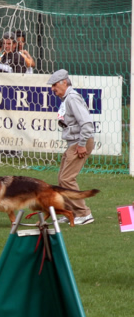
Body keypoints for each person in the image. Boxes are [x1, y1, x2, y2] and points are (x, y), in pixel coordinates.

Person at [47, 69, 95, 225]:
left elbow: (87, 124)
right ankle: (70, 213)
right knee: (62, 178)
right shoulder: (67, 99)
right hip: (74, 142)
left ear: (64, 82)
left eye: (54, 85)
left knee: (67, 179)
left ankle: (84, 213)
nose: (52, 89)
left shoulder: (72, 98)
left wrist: (81, 145)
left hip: (79, 142)